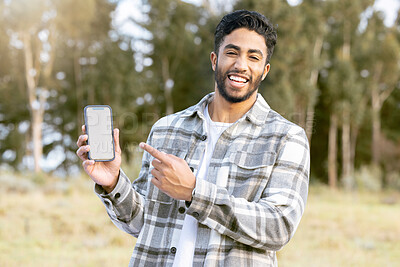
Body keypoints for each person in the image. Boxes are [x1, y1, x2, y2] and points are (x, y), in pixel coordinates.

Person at [76, 10, 309, 267]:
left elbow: (279, 227)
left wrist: (194, 192)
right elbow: (143, 222)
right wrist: (113, 183)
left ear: (264, 71)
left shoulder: (287, 138)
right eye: (231, 52)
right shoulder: (167, 129)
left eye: (253, 57)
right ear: (214, 59)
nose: (241, 64)